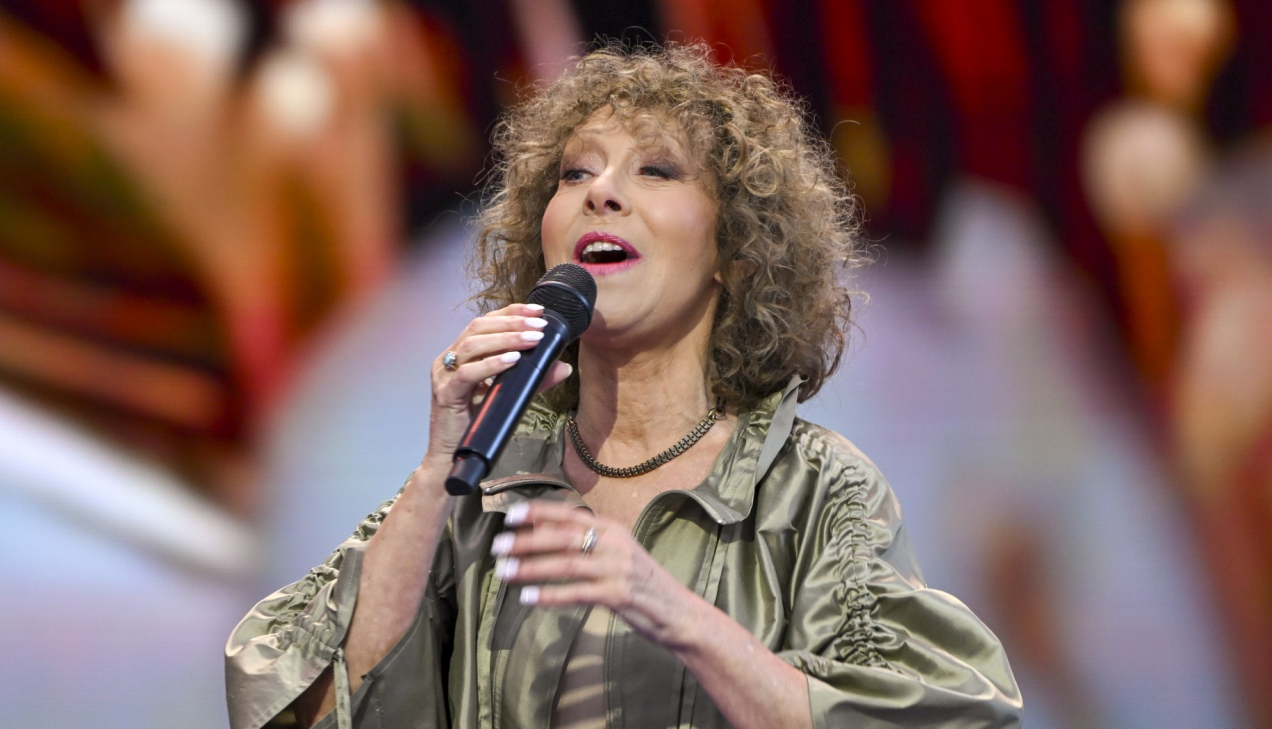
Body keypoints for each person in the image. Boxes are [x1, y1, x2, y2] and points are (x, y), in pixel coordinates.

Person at [225, 42, 1022, 729]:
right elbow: (302, 701)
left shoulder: (811, 490)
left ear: (735, 252)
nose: (599, 192)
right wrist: (438, 468)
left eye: (656, 169)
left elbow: (942, 713)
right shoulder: (483, 483)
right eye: (575, 172)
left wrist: (672, 610)